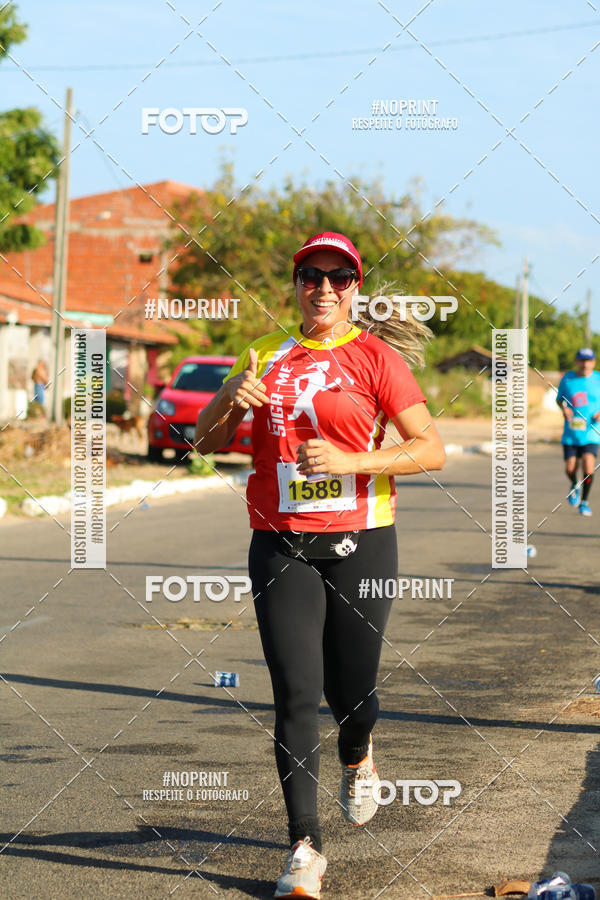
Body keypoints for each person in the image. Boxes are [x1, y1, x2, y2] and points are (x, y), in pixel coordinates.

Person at [194, 232, 445, 899]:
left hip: (364, 540)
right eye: (312, 275)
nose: (324, 288)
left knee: (353, 693)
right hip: (280, 543)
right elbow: (204, 443)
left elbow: (430, 449)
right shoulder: (262, 356)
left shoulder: (376, 359)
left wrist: (351, 463)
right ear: (297, 283)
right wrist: (227, 405)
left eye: (339, 277)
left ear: (355, 288)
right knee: (296, 693)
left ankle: (358, 752)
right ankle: (304, 848)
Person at [556, 347, 600, 516]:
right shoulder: (567, 379)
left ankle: (584, 501)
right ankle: (574, 484)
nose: (585, 364)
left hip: (592, 432)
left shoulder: (598, 379)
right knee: (570, 468)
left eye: (588, 360)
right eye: (582, 360)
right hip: (571, 433)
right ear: (576, 361)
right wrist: (564, 409)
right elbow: (560, 399)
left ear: (593, 362)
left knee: (589, 468)